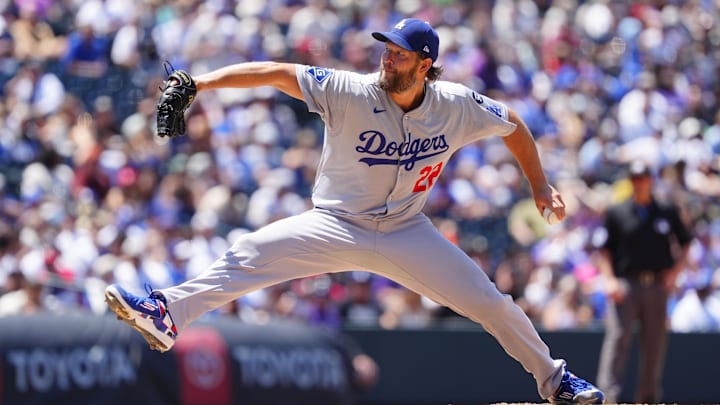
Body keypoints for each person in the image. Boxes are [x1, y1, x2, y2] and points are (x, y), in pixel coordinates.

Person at [105, 19, 604, 404]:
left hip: (408, 230)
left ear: (424, 65)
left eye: (399, 54)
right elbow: (278, 73)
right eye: (386, 51)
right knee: (251, 249)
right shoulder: (350, 90)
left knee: (492, 304)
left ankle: (556, 381)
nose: (387, 60)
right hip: (335, 223)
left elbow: (513, 124)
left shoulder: (456, 104)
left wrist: (539, 185)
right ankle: (167, 313)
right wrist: (201, 85)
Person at [595, 159, 693, 403]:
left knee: (654, 342)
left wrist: (675, 273)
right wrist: (609, 280)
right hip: (626, 284)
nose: (640, 183)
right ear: (630, 182)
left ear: (651, 180)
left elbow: (686, 241)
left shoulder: (666, 211)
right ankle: (609, 397)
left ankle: (648, 398)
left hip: (658, 285)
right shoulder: (618, 212)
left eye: (644, 178)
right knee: (618, 339)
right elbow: (605, 250)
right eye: (635, 179)